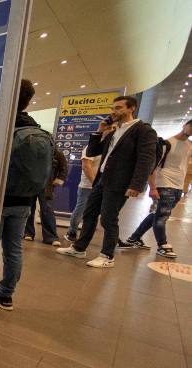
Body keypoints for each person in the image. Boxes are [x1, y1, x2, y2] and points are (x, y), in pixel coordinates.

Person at [57, 96, 157, 268]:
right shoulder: (113, 131)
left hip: (120, 182)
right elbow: (93, 151)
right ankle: (79, 248)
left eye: (118, 108)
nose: (114, 111)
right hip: (102, 179)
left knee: (109, 218)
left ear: (131, 108)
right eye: (113, 108)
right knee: (89, 214)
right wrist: (99, 132)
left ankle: (107, 256)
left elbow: (146, 159)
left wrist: (136, 185)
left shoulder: (142, 130)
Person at [0, 79, 52, 311]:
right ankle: (6, 294)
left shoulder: (5, 127)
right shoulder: (36, 130)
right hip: (25, 201)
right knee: (14, 248)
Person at [118, 119, 192, 258]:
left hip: (178, 185)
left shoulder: (189, 146)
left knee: (157, 214)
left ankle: (134, 238)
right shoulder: (166, 143)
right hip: (164, 183)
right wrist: (152, 188)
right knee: (162, 216)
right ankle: (162, 245)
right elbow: (152, 166)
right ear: (185, 125)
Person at [24, 146, 68, 245]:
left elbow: (64, 167)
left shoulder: (57, 152)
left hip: (47, 185)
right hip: (31, 183)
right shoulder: (32, 150)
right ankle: (28, 233)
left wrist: (60, 179)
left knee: (47, 209)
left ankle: (51, 237)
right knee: (28, 208)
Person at [65, 146, 101, 242]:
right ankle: (71, 232)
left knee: (97, 213)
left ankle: (113, 238)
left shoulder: (109, 147)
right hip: (87, 186)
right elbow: (86, 166)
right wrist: (95, 184)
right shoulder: (91, 147)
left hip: (102, 186)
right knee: (80, 209)